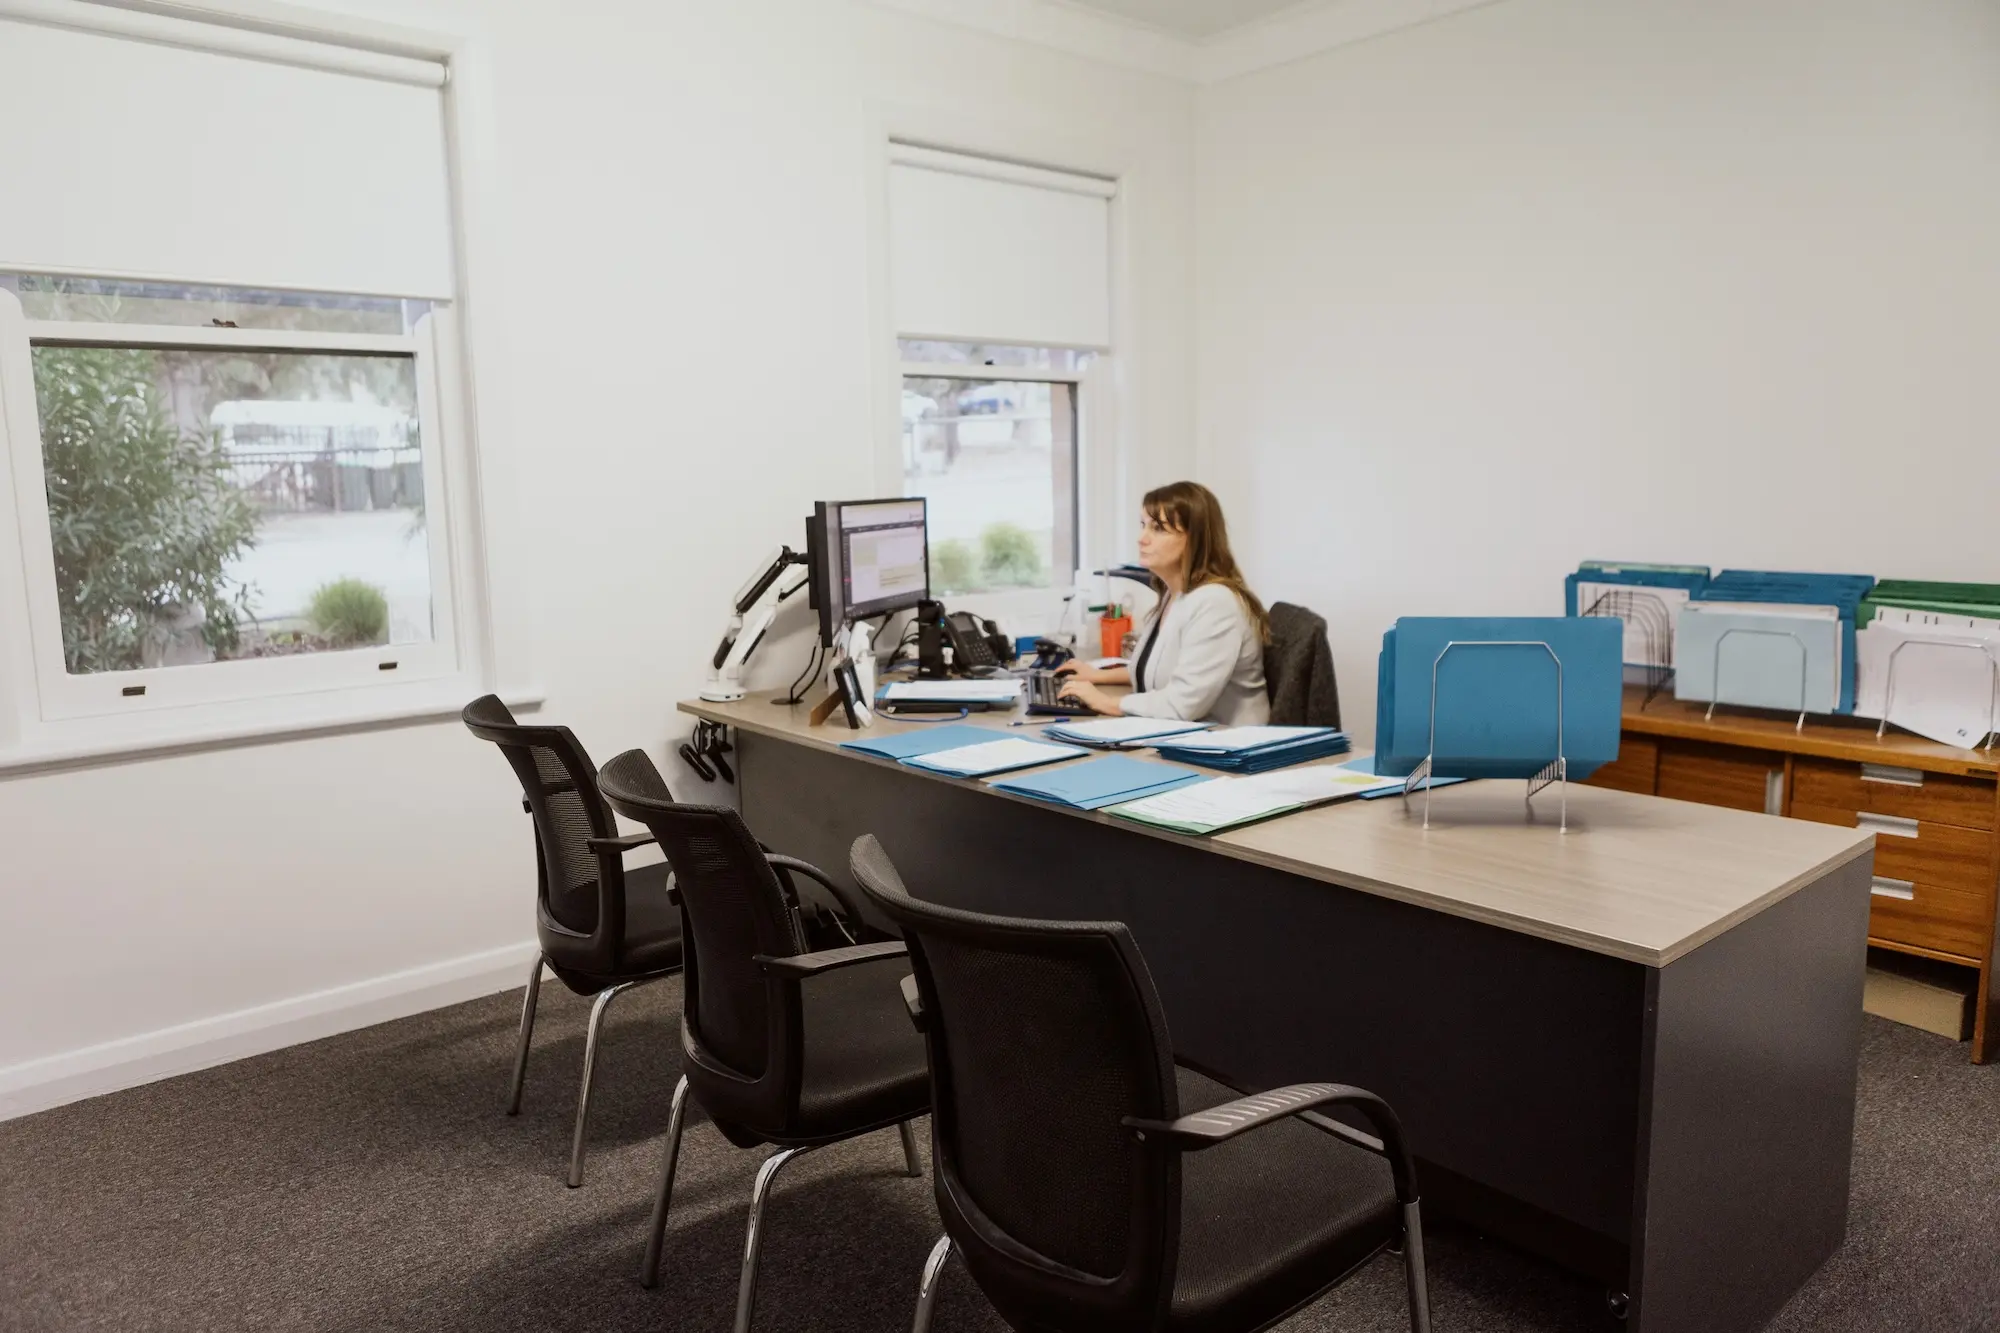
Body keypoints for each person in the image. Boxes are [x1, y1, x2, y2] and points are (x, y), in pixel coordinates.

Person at [1056, 481, 1271, 725]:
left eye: (1158, 528)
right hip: (1185, 736)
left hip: (1224, 748)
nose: (1141, 538)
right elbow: (1160, 669)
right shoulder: (1175, 595)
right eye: (1143, 525)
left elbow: (1182, 705)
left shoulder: (1215, 603)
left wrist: (1106, 702)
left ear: (1195, 539)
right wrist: (1095, 676)